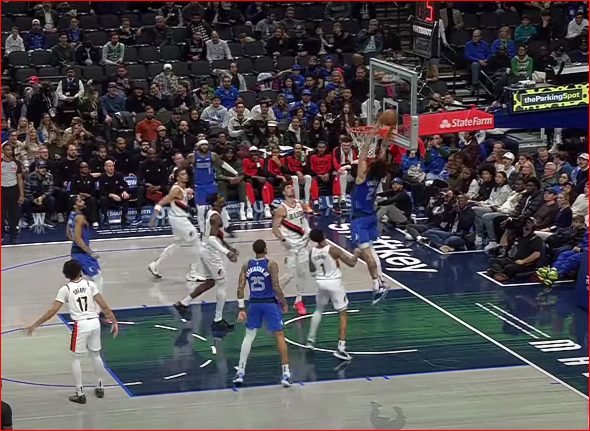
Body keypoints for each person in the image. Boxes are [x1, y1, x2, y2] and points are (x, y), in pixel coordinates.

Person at [25, 259, 118, 404]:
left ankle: (80, 393)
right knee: (96, 355)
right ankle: (100, 386)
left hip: (81, 325)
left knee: (76, 358)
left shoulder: (66, 289)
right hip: (94, 322)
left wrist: (35, 324)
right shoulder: (90, 284)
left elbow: (52, 311)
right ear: (80, 270)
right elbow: (104, 306)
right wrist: (114, 320)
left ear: (66, 274)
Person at [173, 193, 238, 330]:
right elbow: (212, 239)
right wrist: (227, 252)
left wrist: (228, 246)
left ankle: (183, 304)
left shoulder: (212, 214)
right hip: (210, 253)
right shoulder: (215, 217)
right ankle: (218, 320)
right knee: (222, 283)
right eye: (220, 198)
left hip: (204, 249)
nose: (223, 198)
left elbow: (216, 235)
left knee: (210, 282)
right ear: (215, 203)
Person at [233, 239, 291, 387]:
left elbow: (240, 287)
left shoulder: (247, 265)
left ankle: (240, 371)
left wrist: (241, 308)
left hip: (254, 304)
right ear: (265, 249)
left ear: (254, 250)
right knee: (279, 335)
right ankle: (286, 373)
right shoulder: (271, 264)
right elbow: (276, 286)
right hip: (269, 303)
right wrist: (284, 303)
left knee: (249, 336)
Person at [307, 228, 361, 360]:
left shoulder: (312, 252)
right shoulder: (333, 250)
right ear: (324, 235)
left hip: (321, 283)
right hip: (334, 283)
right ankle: (341, 348)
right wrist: (356, 254)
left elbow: (312, 271)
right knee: (343, 314)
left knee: (318, 310)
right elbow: (351, 263)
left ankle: (310, 340)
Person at [350, 133, 389, 303]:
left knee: (367, 254)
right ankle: (381, 280)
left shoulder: (361, 179)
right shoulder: (378, 177)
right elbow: (382, 155)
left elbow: (362, 156)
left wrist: (369, 137)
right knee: (371, 250)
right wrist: (386, 137)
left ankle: (377, 283)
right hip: (371, 216)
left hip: (360, 219)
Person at [148, 166, 205, 281]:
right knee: (198, 244)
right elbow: (163, 201)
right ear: (177, 177)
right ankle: (193, 273)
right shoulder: (176, 189)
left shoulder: (182, 188)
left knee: (177, 243)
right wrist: (153, 217)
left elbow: (180, 200)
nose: (185, 176)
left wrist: (188, 195)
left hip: (177, 218)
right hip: (180, 220)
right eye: (182, 174)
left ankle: (155, 264)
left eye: (186, 174)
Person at [272, 183, 311, 316]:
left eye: (291, 187)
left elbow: (303, 220)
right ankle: (275, 294)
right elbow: (275, 229)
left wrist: (308, 233)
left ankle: (298, 301)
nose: (291, 189)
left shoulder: (299, 204)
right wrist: (284, 240)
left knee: (302, 273)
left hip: (301, 244)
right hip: (290, 245)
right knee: (290, 274)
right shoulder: (281, 209)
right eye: (288, 188)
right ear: (284, 192)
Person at [66, 195, 104, 296]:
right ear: (75, 206)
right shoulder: (80, 218)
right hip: (82, 253)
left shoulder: (72, 214)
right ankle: (96, 304)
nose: (83, 202)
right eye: (79, 201)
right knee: (97, 278)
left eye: (82, 200)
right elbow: (78, 239)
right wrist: (90, 252)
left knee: (90, 278)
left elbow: (68, 234)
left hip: (77, 251)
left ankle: (87, 300)